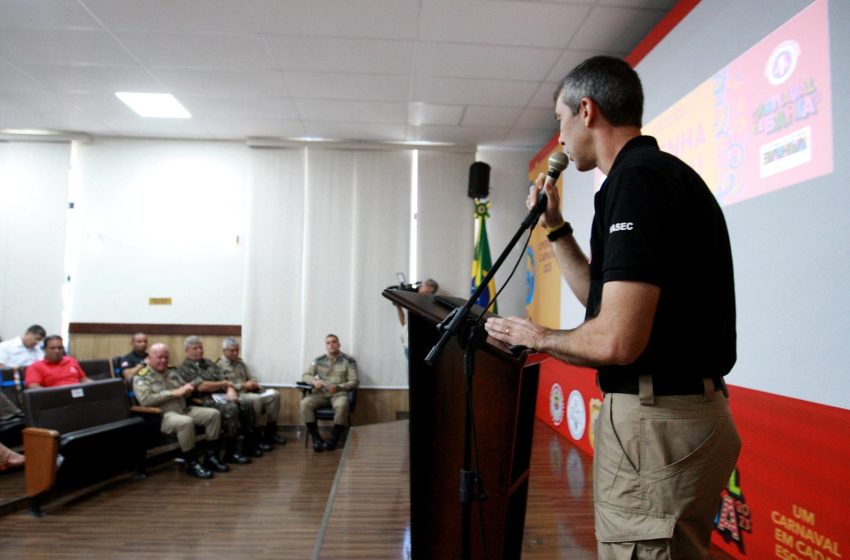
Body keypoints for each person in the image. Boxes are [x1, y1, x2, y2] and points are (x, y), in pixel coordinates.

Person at [484, 56, 741, 559]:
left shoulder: (636, 181)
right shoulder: (654, 176)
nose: (559, 138)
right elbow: (603, 306)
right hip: (673, 420)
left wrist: (537, 337)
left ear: (586, 110)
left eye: (559, 120)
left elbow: (617, 340)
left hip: (658, 422)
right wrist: (556, 229)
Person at [133, 343, 226, 479]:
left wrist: (187, 390)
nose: (163, 361)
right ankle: (192, 463)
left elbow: (184, 389)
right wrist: (173, 393)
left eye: (166, 357)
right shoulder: (142, 377)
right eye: (159, 358)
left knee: (213, 414)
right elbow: (145, 400)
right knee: (185, 422)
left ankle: (211, 457)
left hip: (184, 409)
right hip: (163, 415)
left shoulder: (172, 373)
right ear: (149, 358)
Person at [175, 336, 254, 464]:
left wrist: (230, 390)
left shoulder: (209, 363)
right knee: (231, 408)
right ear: (187, 350)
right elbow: (202, 386)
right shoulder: (184, 368)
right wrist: (223, 384)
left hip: (221, 395)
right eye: (195, 348)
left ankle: (247, 445)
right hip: (202, 400)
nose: (199, 351)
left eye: (200, 347)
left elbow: (225, 379)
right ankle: (229, 452)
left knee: (245, 404)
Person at [216, 337, 286, 447]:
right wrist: (243, 385)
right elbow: (223, 385)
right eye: (232, 350)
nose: (235, 353)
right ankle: (255, 435)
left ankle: (270, 432)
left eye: (237, 350)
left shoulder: (240, 363)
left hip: (250, 392)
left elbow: (251, 377)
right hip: (237, 395)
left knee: (274, 395)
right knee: (255, 399)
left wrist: (253, 383)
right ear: (224, 350)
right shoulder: (219, 365)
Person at [301, 334, 359, 452]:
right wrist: (314, 381)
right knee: (305, 403)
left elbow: (354, 381)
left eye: (334, 342)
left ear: (338, 344)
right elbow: (305, 375)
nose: (331, 344)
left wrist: (338, 387)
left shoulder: (348, 361)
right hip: (321, 393)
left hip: (339, 393)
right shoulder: (319, 360)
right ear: (326, 346)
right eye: (328, 343)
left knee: (342, 405)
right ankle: (316, 439)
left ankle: (334, 439)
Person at [24, 335, 92, 389]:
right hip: (55, 400)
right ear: (45, 349)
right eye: (52, 348)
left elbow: (84, 379)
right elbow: (33, 387)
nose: (57, 351)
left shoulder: (71, 360)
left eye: (60, 348)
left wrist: (97, 386)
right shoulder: (35, 366)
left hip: (78, 397)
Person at [395, 278, 439, 356]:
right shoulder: (415, 304)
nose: (420, 287)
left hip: (417, 348)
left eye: (423, 286)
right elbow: (404, 324)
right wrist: (398, 307)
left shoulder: (428, 307)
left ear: (430, 290)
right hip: (407, 346)